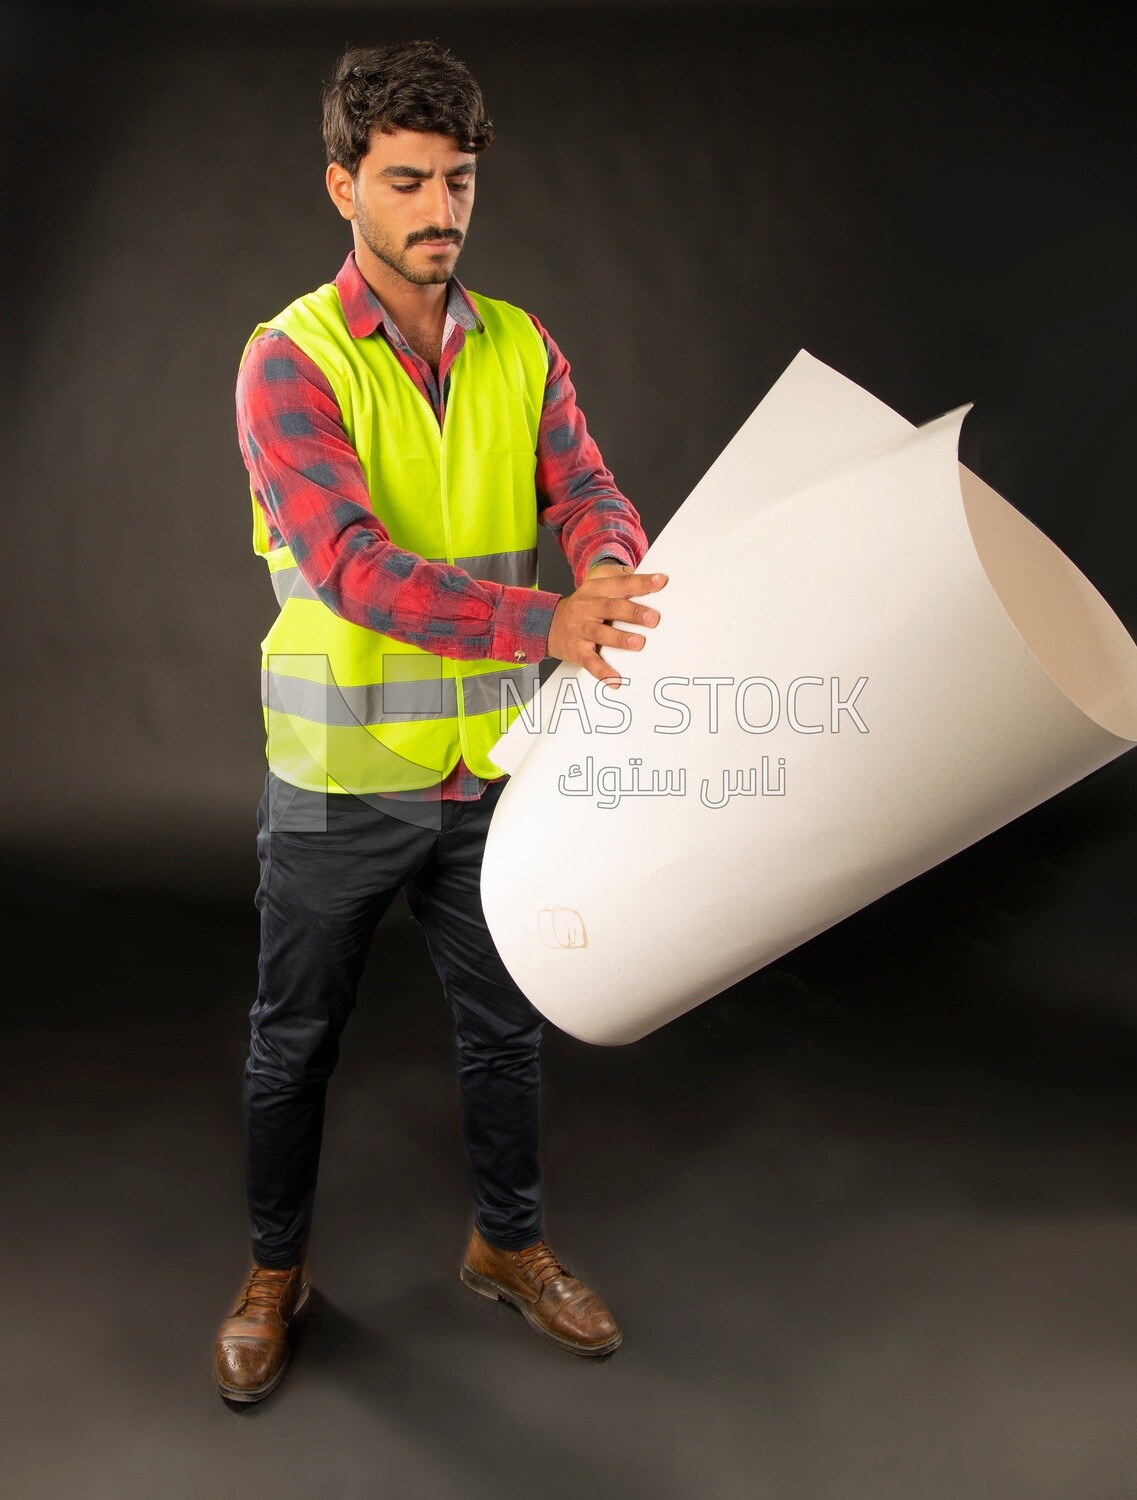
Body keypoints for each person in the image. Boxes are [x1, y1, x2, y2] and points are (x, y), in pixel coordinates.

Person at [212, 39, 669, 1403]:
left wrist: (600, 556)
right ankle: (273, 1274)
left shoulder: (519, 344)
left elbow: (583, 483)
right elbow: (352, 568)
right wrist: (545, 623)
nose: (440, 210)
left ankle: (508, 1245)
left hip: (493, 777)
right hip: (338, 781)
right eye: (405, 180)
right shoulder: (285, 364)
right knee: (292, 1045)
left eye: (457, 180)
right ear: (341, 186)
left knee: (503, 1030)